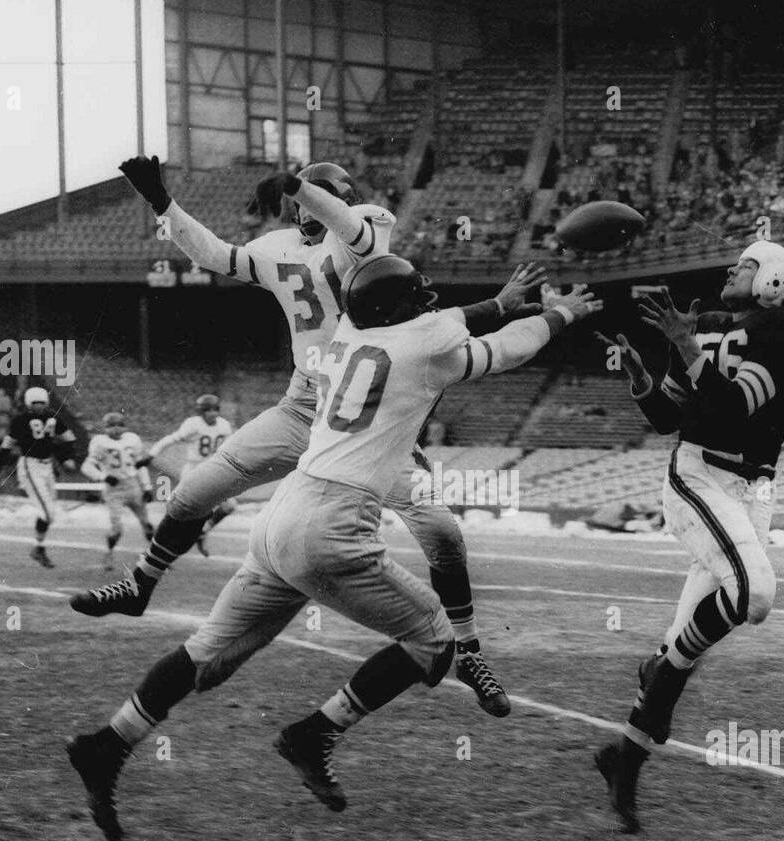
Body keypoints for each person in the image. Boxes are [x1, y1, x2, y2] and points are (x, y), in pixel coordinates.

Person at [66, 258, 601, 841]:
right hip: (332, 526)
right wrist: (560, 313)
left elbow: (462, 325)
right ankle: (313, 735)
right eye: (417, 297)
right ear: (399, 311)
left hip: (279, 519)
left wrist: (501, 304)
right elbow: (504, 349)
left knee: (208, 657)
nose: (429, 302)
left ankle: (107, 743)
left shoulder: (349, 334)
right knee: (432, 640)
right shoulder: (424, 344)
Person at [69, 158, 545, 717]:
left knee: (440, 529)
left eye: (316, 199)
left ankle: (467, 650)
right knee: (195, 489)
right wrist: (163, 204)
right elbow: (215, 256)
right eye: (299, 202)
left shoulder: (366, 225)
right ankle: (141, 583)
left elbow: (351, 229)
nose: (304, 212)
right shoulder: (277, 247)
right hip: (304, 404)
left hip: (366, 421)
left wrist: (300, 186)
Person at [594, 240, 784, 834]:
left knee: (675, 655)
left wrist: (687, 346)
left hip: (751, 491)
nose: (731, 272)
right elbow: (672, 416)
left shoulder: (782, 329)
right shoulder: (707, 325)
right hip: (701, 473)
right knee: (755, 596)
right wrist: (645, 374)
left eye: (744, 265)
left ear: (771, 279)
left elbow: (735, 406)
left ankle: (624, 761)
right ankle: (659, 676)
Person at [0, 386, 78, 568]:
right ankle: (39, 549)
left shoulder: (54, 417)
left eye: (42, 403)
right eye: (35, 403)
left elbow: (69, 439)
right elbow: (7, 446)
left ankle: (38, 547)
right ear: (29, 403)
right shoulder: (20, 420)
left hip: (47, 466)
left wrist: (66, 458)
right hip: (30, 465)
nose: (39, 406)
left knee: (49, 513)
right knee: (47, 513)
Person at [141, 394, 234, 555]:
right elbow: (171, 439)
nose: (212, 413)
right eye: (208, 410)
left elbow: (229, 448)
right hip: (193, 470)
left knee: (229, 506)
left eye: (215, 409)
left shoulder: (224, 426)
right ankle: (158, 543)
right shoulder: (193, 425)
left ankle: (203, 530)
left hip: (213, 470)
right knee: (179, 509)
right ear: (201, 412)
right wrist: (152, 454)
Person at [81, 412, 155, 570]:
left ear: (125, 427)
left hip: (133, 485)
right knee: (117, 528)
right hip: (114, 490)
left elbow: (139, 465)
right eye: (111, 426)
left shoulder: (132, 440)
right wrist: (103, 476)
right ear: (105, 428)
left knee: (147, 524)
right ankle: (109, 554)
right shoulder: (100, 443)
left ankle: (157, 558)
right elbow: (87, 466)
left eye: (119, 425)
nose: (115, 429)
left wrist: (147, 487)